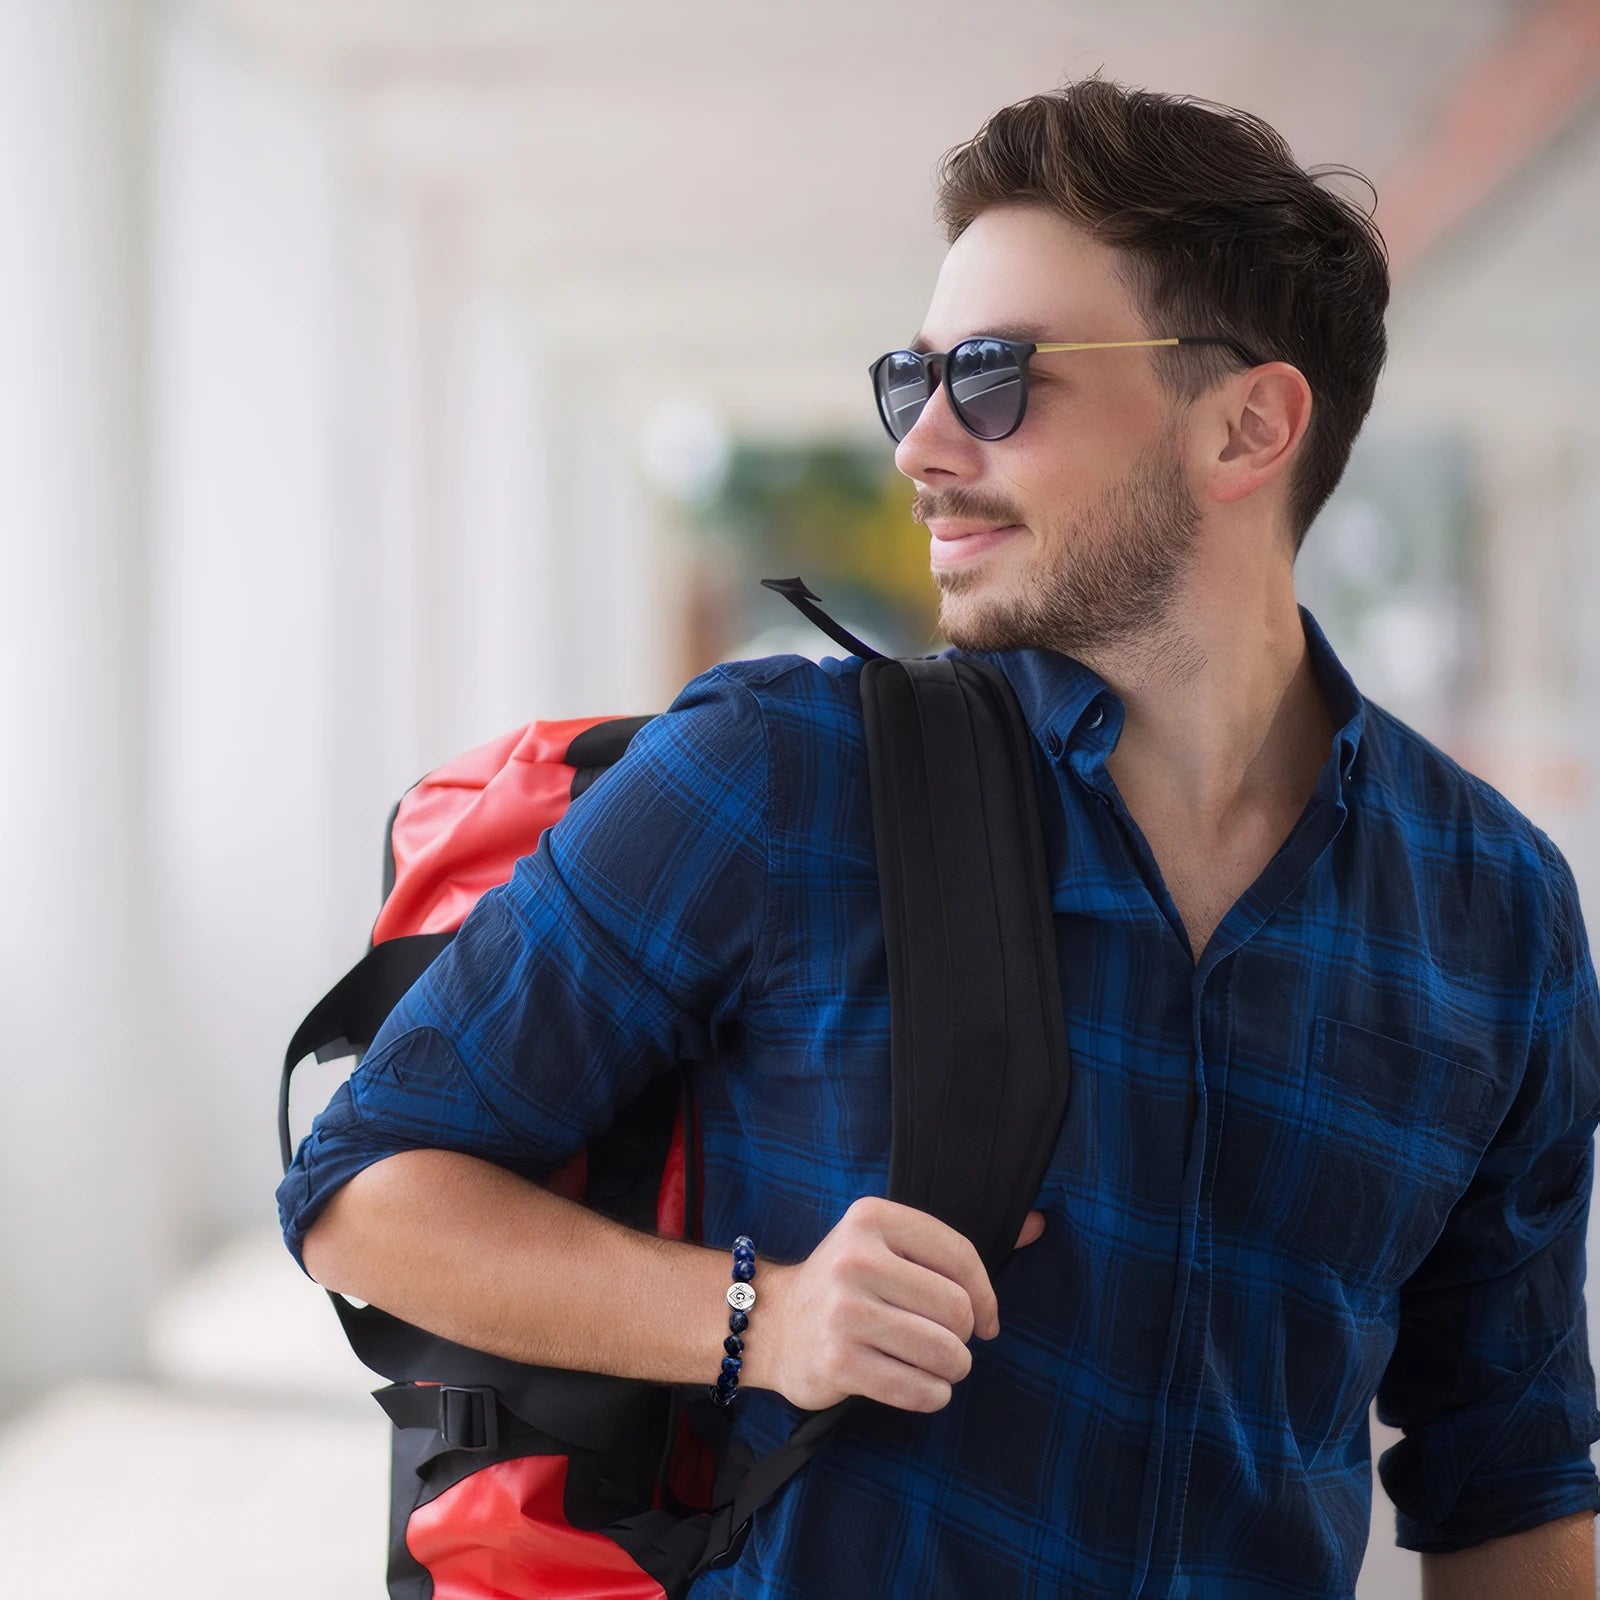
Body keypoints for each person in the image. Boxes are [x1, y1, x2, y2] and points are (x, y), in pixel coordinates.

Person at [276, 75, 1600, 1597]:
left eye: (996, 377)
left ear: (1249, 426)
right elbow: (363, 1193)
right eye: (912, 382)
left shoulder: (1493, 909)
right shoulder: (780, 777)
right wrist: (756, 1318)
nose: (922, 447)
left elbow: (1507, 1467)